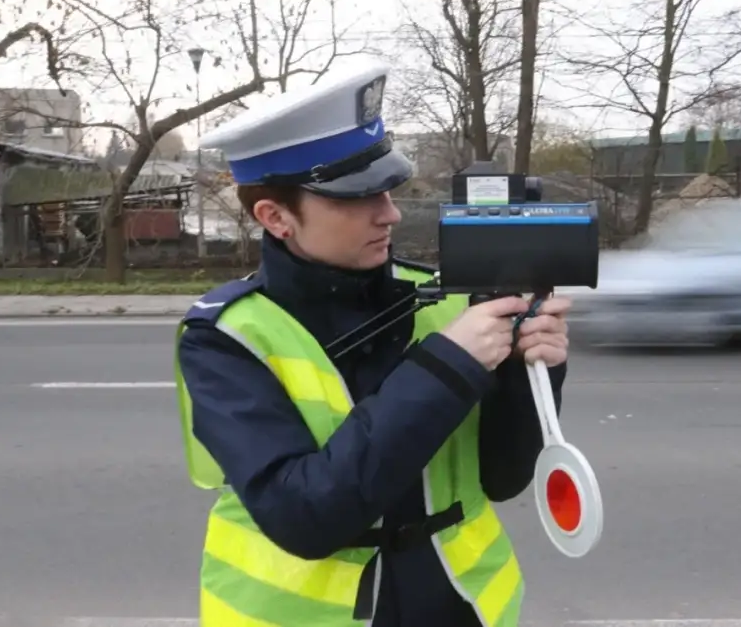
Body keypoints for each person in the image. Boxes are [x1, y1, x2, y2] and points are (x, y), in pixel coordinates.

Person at [173, 56, 572, 627]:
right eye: (357, 197)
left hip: (462, 606)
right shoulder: (226, 338)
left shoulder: (448, 304)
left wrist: (534, 368)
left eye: (388, 189)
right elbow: (305, 516)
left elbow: (503, 479)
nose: (390, 213)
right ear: (275, 216)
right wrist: (447, 367)